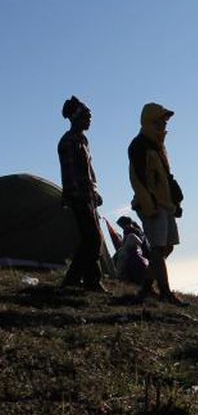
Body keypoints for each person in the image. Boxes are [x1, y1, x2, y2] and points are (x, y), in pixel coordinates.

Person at [128, 102, 187, 306]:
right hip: (151, 204)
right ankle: (165, 292)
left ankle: (146, 287)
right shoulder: (138, 145)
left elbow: (165, 177)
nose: (165, 123)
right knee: (158, 248)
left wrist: (175, 199)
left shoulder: (158, 145)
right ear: (150, 121)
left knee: (166, 247)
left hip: (165, 204)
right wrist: (149, 204)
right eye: (162, 119)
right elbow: (138, 178)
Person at [57, 95, 109, 293]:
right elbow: (70, 173)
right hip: (78, 197)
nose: (89, 120)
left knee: (91, 239)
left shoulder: (82, 140)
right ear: (74, 118)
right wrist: (79, 197)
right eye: (86, 116)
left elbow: (88, 171)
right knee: (93, 239)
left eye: (90, 116)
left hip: (87, 195)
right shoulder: (69, 141)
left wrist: (95, 192)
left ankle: (82, 280)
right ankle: (83, 280)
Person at [113, 216, 150, 285]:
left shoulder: (134, 231)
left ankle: (119, 276)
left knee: (121, 257)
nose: (122, 227)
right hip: (132, 250)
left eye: (122, 225)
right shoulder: (127, 231)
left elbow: (139, 243)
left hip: (139, 251)